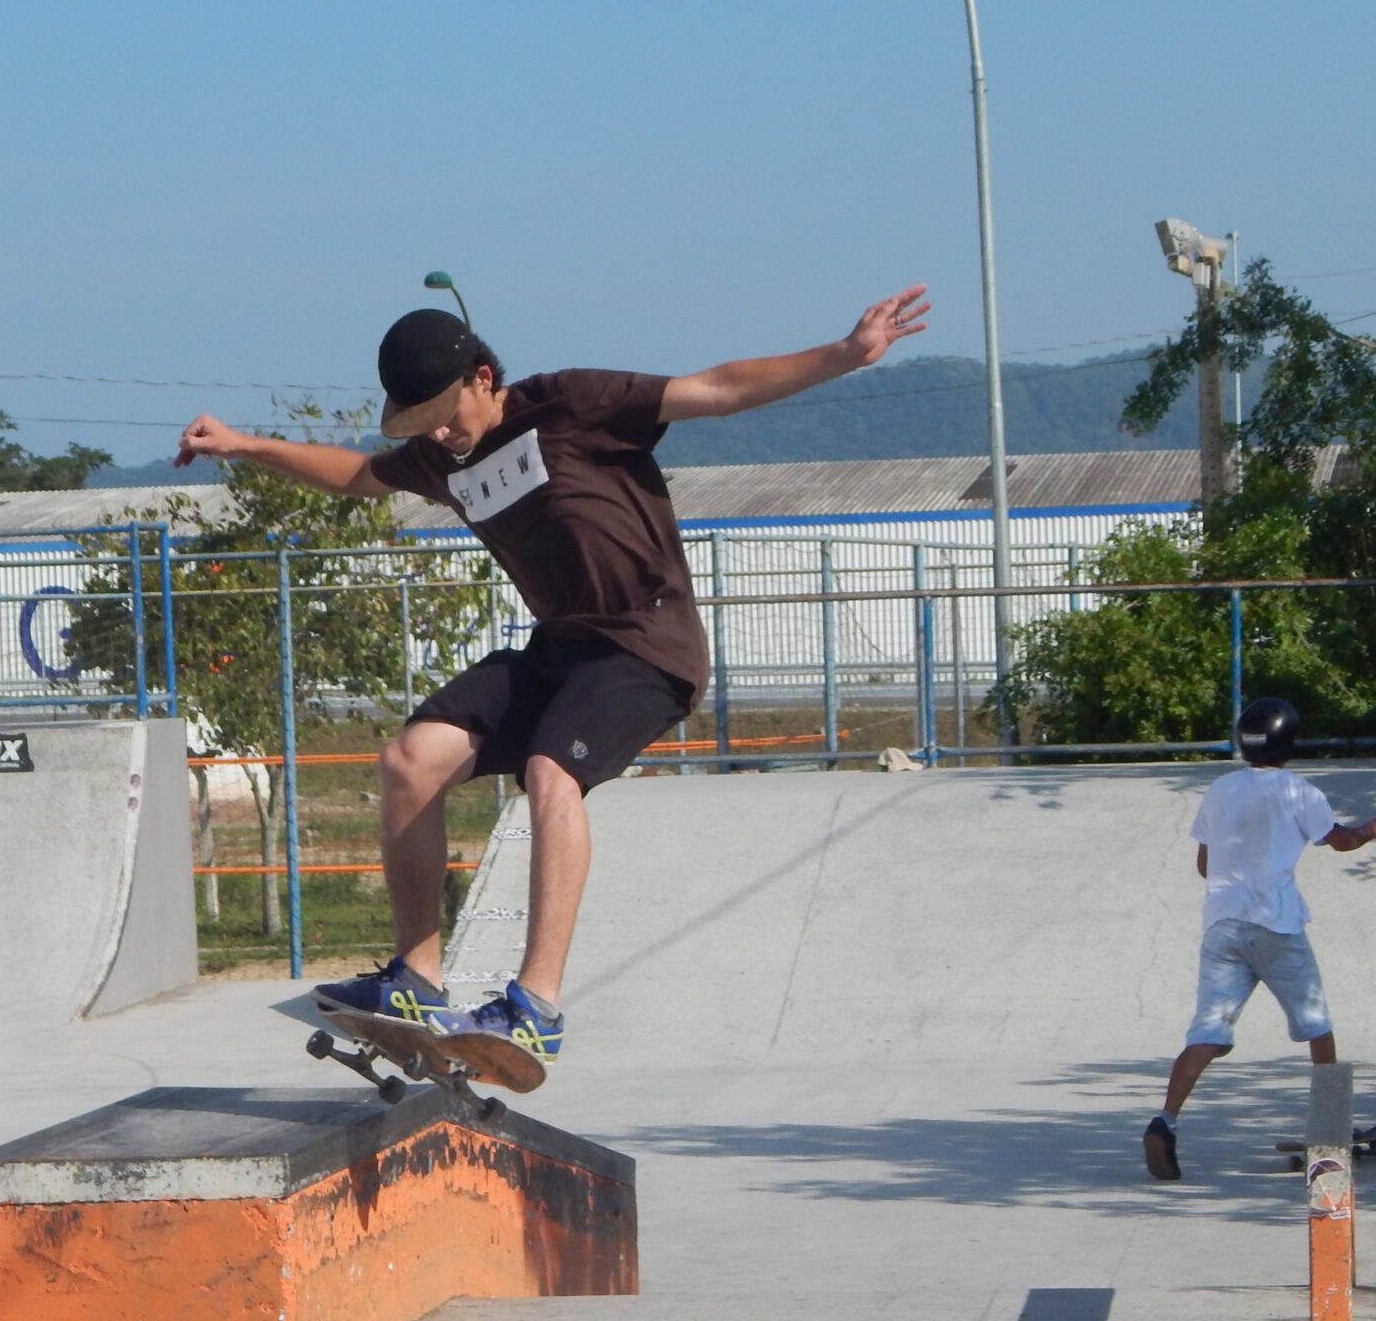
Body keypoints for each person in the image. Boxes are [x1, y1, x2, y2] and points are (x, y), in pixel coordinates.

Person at [173, 284, 931, 1063]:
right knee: (409, 759)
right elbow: (358, 476)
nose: (439, 433)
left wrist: (846, 355)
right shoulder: (442, 455)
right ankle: (417, 978)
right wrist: (244, 445)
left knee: (548, 773)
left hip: (646, 644)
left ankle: (535, 1004)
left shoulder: (572, 405)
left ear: (483, 378)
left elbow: (716, 389)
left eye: (446, 410)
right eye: (421, 422)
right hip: (560, 650)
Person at [1144, 698, 1376, 1182]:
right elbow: (1339, 840)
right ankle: (1331, 1128)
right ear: (1290, 743)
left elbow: (1204, 864)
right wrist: (1374, 829)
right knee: (1316, 1026)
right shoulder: (1299, 791)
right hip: (1276, 925)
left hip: (1222, 926)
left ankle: (1165, 1121)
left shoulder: (1219, 789)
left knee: (1206, 1034)